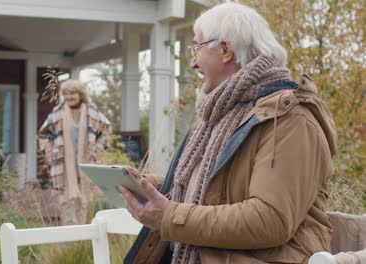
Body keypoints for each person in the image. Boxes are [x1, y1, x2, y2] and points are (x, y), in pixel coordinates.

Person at [119, 2, 337, 264]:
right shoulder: (214, 116)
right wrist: (147, 186)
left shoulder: (290, 120)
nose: (192, 62)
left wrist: (169, 215)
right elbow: (214, 187)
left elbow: (269, 220)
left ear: (225, 50)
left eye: (196, 47)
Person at [38, 79, 111, 225]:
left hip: (87, 162)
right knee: (66, 199)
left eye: (73, 93)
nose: (69, 97)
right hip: (63, 163)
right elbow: (43, 134)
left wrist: (97, 150)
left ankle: (84, 235)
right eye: (66, 94)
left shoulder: (92, 111)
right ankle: (69, 236)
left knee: (86, 198)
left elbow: (106, 129)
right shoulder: (57, 112)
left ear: (80, 94)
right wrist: (49, 153)